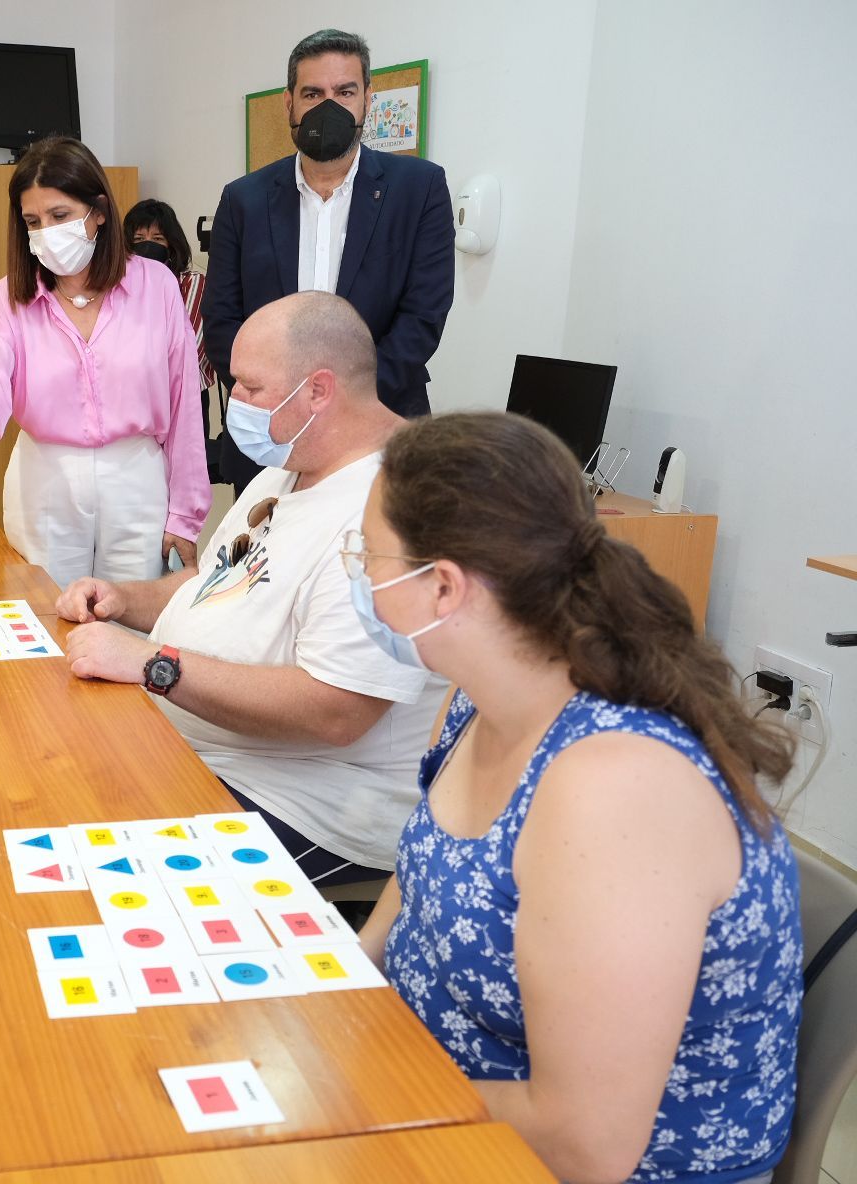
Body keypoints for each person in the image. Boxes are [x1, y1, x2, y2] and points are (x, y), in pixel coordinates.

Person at [352, 412, 801, 1184]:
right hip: (440, 1100)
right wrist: (346, 982)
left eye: (368, 557)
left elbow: (585, 1144)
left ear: (444, 585)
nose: (360, 579)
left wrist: (363, 1103)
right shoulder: (478, 695)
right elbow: (422, 873)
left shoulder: (613, 789)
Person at [55, 292, 441, 883]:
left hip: (309, 804)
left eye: (250, 388)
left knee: (98, 876)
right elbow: (216, 583)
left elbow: (338, 710)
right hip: (206, 751)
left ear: (318, 389)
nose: (234, 402)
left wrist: (156, 664)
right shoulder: (289, 466)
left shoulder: (393, 510)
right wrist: (127, 600)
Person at [0, 138, 210, 584]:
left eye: (59, 216)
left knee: (131, 622)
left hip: (136, 477)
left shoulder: (155, 285)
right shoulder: (7, 299)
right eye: (32, 221)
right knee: (46, 617)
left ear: (98, 211)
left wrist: (186, 514)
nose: (46, 232)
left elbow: (184, 406)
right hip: (46, 478)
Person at [206, 28, 454, 490]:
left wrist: (345, 407)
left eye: (345, 91)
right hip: (268, 438)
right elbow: (222, 320)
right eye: (312, 93)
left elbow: (423, 317)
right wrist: (279, 404)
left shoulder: (418, 189)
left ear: (367, 100)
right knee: (264, 562)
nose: (329, 107)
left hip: (382, 432)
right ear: (289, 103)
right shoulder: (244, 199)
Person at [124, 198, 220, 485]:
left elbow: (187, 351)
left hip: (184, 400)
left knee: (180, 486)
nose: (147, 246)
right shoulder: (114, 287)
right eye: (138, 239)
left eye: (157, 238)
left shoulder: (193, 284)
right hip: (130, 401)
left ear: (172, 244)